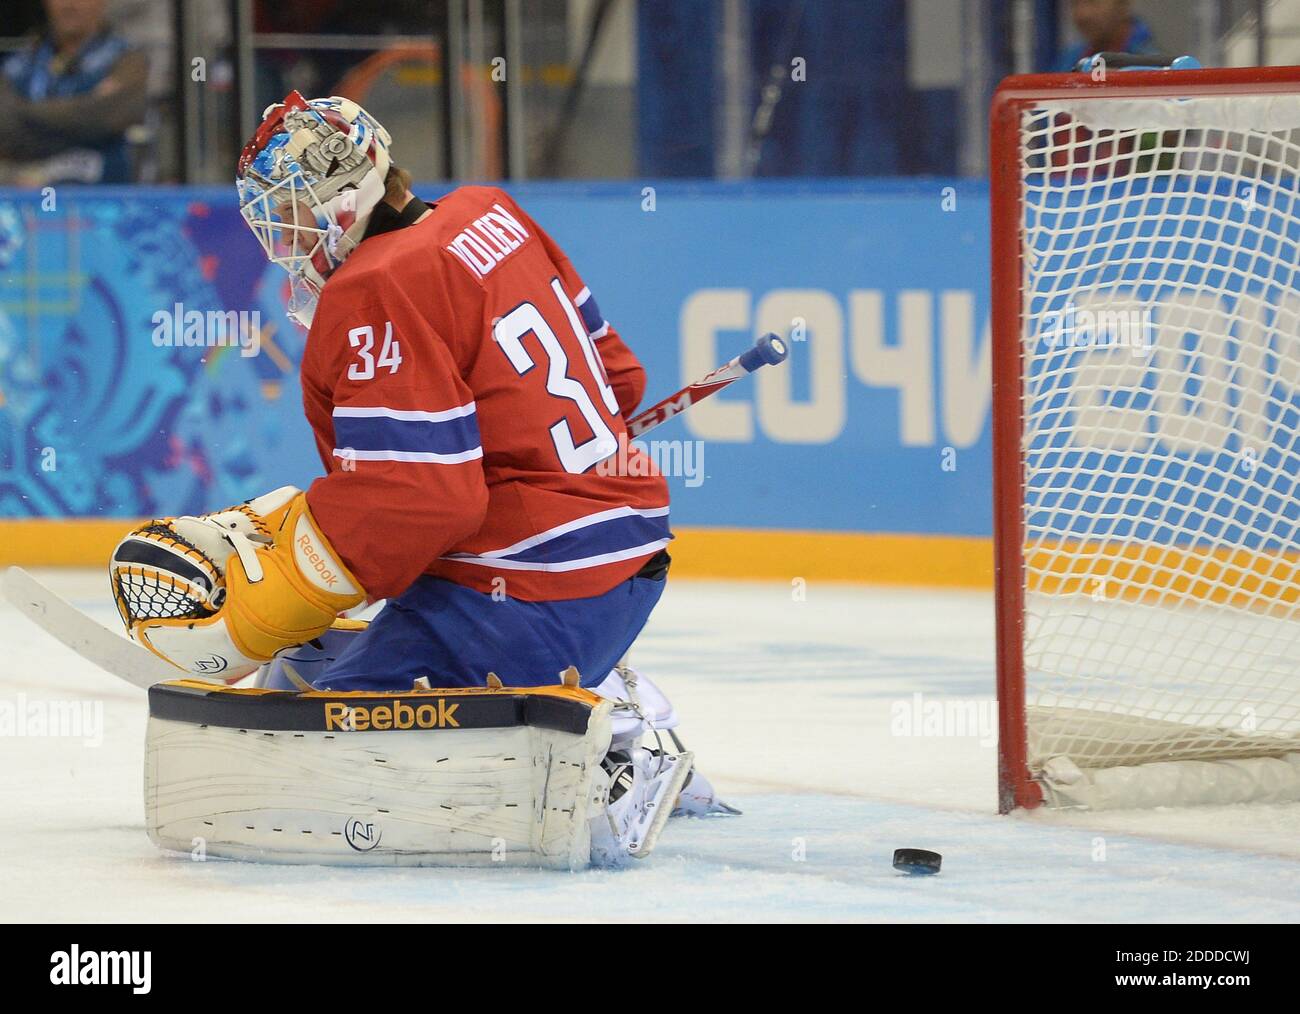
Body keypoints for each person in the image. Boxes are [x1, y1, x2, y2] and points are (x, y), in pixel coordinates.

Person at [106, 93, 735, 852]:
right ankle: (598, 683)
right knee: (305, 675)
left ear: (340, 202)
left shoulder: (377, 286)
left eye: (289, 215)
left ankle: (618, 758)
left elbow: (420, 502)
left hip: (536, 588)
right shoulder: (489, 212)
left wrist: (286, 586)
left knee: (322, 751)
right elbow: (621, 381)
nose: (283, 239)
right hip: (625, 556)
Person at [0, 0, 148, 185]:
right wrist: (81, 115)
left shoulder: (127, 59)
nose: (69, 4)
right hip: (27, 203)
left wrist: (26, 115)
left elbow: (109, 116)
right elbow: (4, 124)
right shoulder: (20, 63)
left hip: (102, 202)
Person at [1051, 0, 1160, 73]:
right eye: (1074, 3)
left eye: (1093, 2)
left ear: (1123, 5)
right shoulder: (1067, 60)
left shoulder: (1153, 66)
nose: (1082, 14)